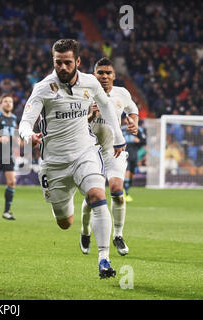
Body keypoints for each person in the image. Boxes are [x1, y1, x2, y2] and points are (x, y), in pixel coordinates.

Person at [19, 39, 126, 279]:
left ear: (77, 61)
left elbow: (107, 106)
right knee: (64, 222)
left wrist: (118, 136)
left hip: (84, 153)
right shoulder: (43, 88)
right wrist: (29, 135)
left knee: (98, 195)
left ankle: (104, 259)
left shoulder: (90, 82)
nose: (63, 67)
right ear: (53, 62)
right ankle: (74, 209)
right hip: (54, 163)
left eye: (68, 62)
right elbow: (25, 122)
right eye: (58, 62)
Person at [80, 57, 139, 257]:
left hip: (114, 150)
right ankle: (85, 230)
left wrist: (134, 124)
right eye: (100, 73)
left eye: (108, 73)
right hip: (90, 151)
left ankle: (118, 235)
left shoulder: (122, 93)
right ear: (93, 75)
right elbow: (74, 125)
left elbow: (133, 110)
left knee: (116, 191)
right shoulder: (84, 94)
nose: (104, 76)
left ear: (114, 75)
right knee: (92, 197)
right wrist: (90, 117)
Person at [122, 116, 146, 202]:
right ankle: (125, 193)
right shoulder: (122, 129)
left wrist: (138, 140)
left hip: (134, 155)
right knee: (127, 173)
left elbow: (144, 141)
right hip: (124, 154)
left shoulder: (138, 130)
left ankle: (126, 191)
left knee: (132, 175)